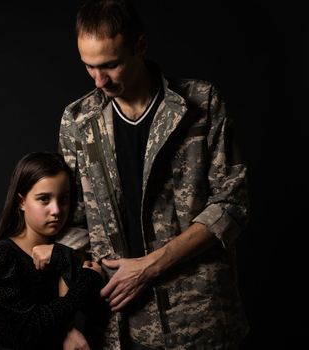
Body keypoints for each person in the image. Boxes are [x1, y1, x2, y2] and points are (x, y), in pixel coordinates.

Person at [56, 0, 250, 348]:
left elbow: (232, 203)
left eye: (110, 65)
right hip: (116, 326)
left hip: (198, 319)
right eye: (89, 66)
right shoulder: (77, 121)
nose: (99, 80)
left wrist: (150, 266)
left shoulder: (202, 104)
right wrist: (65, 319)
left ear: (140, 47)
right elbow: (71, 226)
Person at [0, 152, 106, 350]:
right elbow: (29, 329)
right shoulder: (1, 257)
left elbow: (96, 313)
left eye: (63, 199)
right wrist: (86, 283)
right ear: (21, 202)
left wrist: (62, 256)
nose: (56, 210)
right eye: (44, 199)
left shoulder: (70, 250)